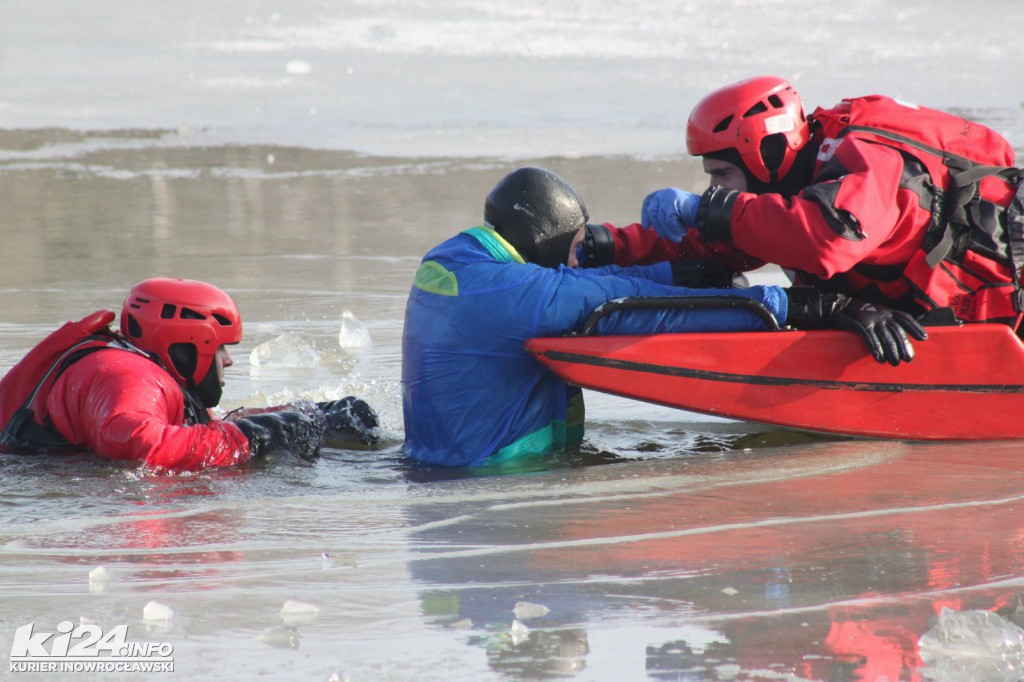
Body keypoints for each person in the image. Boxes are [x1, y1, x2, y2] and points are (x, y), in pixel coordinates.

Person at [401, 166, 924, 468]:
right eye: (569, 249)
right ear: (542, 242)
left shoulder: (461, 263)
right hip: (492, 489)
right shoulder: (513, 293)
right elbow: (629, 310)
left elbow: (579, 287)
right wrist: (807, 305)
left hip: (450, 466)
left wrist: (682, 273)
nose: (573, 261)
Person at [575, 75, 1024, 329]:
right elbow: (733, 240)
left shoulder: (868, 159)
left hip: (1006, 311)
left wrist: (705, 209)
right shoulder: (785, 192)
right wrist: (604, 246)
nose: (717, 187)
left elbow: (828, 238)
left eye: (723, 174)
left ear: (763, 152)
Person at [0, 277, 379, 471]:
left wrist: (305, 416)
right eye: (220, 347)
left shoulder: (141, 368)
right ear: (186, 344)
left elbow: (193, 430)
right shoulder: (128, 375)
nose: (228, 361)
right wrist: (247, 439)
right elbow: (141, 443)